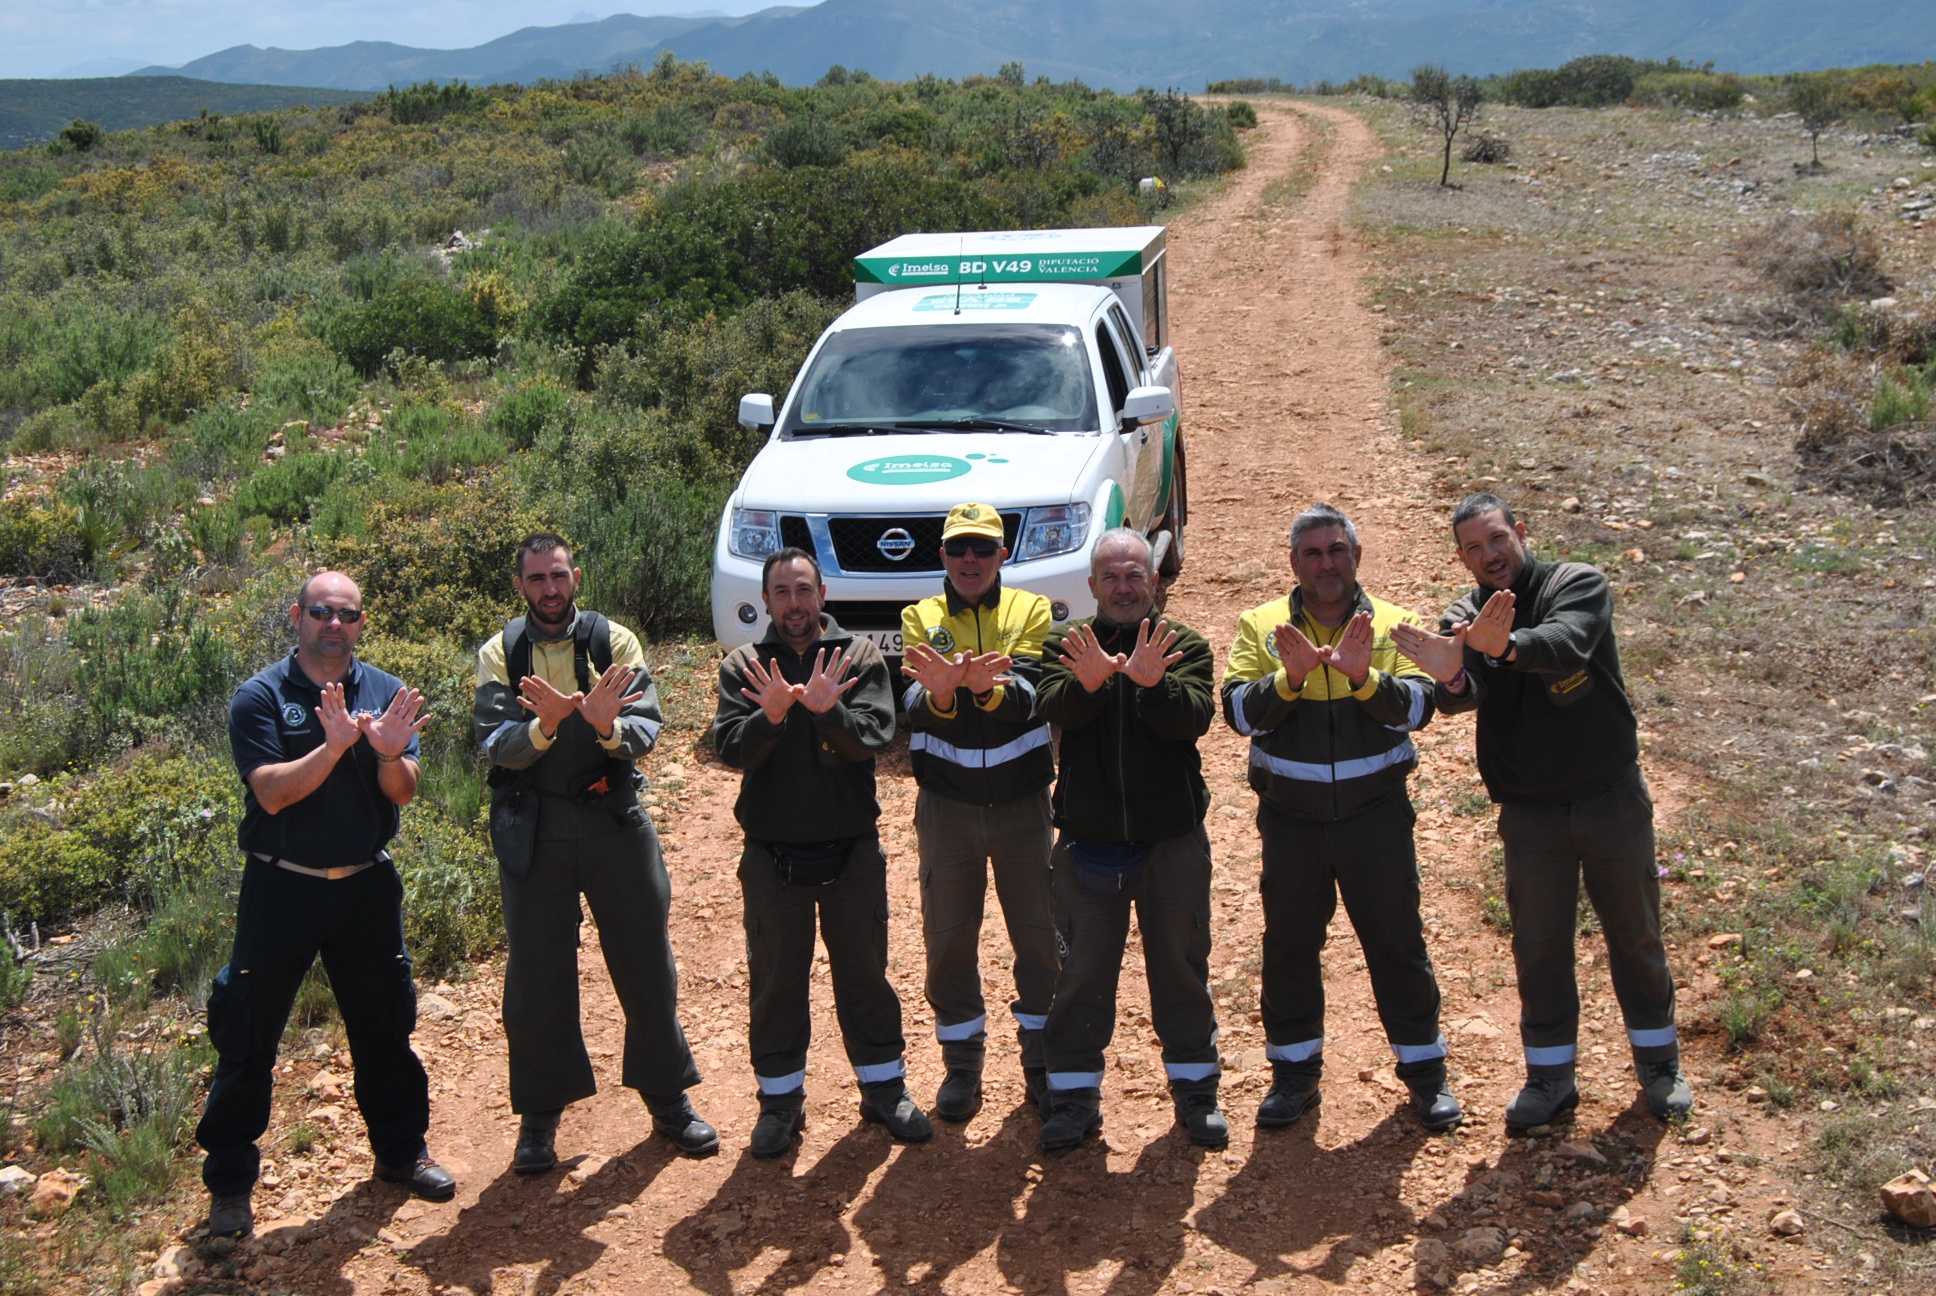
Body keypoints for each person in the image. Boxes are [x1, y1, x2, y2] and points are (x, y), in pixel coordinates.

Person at [1392, 493, 1692, 1129]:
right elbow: (1462, 690)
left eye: (1496, 538)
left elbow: (1566, 643)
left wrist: (1500, 650)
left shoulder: (1576, 583)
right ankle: (1551, 1078)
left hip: (1610, 796)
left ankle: (1660, 1065)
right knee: (1539, 946)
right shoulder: (1465, 613)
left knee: (1635, 935)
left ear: (1520, 532)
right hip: (1530, 814)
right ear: (1461, 557)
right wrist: (1451, 675)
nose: (1489, 555)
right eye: (1474, 548)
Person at [198, 571, 452, 1240]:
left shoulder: (386, 691)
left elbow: (404, 791)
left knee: (383, 1027)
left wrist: (390, 755)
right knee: (249, 1032)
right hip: (283, 886)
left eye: (346, 614)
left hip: (365, 884)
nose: (332, 623)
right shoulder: (260, 697)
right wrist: (335, 745)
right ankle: (229, 1184)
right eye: (320, 612)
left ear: (361, 623)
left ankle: (401, 1153)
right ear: (297, 617)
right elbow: (273, 793)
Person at [473, 533, 714, 1173]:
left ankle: (668, 1102)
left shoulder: (617, 643)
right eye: (536, 580)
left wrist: (604, 724)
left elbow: (644, 732)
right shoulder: (501, 652)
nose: (549, 590)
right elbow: (496, 744)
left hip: (613, 819)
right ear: (520, 584)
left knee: (646, 966)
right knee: (536, 977)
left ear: (575, 576)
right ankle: (539, 1121)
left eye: (558, 576)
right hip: (537, 829)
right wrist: (546, 725)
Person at [1219, 504, 1461, 1132]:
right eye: (1313, 553)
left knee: (1396, 943)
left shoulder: (1398, 624)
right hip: (1291, 821)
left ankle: (1425, 1075)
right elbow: (1241, 714)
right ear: (1293, 563)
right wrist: (1291, 677)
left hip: (1375, 818)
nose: (1327, 563)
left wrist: (1363, 677)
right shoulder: (1262, 623)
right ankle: (1294, 1078)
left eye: (1337, 550)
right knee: (1290, 947)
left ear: (1357, 556)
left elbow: (1416, 707)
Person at [714, 547, 930, 1157]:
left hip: (851, 851)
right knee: (777, 982)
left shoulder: (856, 658)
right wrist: (772, 716)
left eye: (803, 590)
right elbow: (731, 749)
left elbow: (875, 739)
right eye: (781, 592)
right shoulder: (745, 668)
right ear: (766, 600)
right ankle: (779, 1105)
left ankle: (885, 1091)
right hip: (771, 855)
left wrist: (827, 709)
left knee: (865, 976)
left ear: (823, 596)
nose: (794, 603)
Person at [1034, 528, 1222, 1152]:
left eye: (1134, 575)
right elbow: (1052, 708)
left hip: (1171, 842)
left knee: (1181, 968)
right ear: (1091, 586)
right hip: (1088, 846)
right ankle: (1073, 1100)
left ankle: (1196, 1093)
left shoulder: (1183, 645)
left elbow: (1192, 718)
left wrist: (1151, 683)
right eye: (1110, 577)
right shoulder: (1066, 643)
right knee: (1081, 973)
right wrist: (1089, 682)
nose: (1122, 587)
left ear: (1155, 582)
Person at [899, 502, 1060, 1122]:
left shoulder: (1031, 609)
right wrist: (947, 692)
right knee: (948, 938)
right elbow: (915, 696)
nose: (971, 559)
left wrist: (974, 688)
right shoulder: (920, 616)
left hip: (1023, 803)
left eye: (983, 549)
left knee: (1039, 936)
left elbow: (1031, 690)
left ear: (1003, 556)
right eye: (959, 548)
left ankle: (1041, 1062)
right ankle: (961, 1067)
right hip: (947, 806)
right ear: (942, 557)